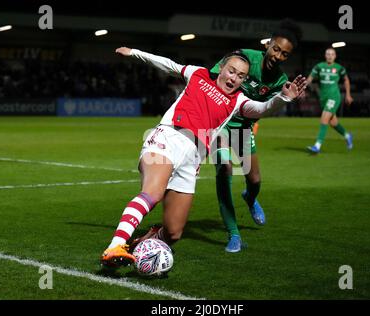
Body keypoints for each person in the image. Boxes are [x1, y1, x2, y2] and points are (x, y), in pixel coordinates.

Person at [100, 46, 306, 267]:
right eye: (231, 71)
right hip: (168, 138)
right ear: (222, 68)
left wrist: (284, 97)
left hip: (193, 159)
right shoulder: (199, 74)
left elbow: (263, 108)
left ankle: (137, 247)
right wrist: (135, 53)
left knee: (173, 232)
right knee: (153, 192)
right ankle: (115, 245)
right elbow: (169, 64)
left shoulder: (238, 101)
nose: (234, 78)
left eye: (241, 76)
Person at [209, 19, 303, 253]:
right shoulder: (244, 58)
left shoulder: (281, 81)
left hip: (243, 129)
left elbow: (267, 108)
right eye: (276, 49)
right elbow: (212, 78)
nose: (278, 56)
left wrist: (285, 99)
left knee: (255, 181)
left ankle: (249, 199)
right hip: (220, 123)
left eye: (284, 54)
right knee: (225, 169)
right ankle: (234, 234)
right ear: (268, 45)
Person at [306, 47, 354, 154]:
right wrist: (302, 87)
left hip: (334, 96)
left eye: (332, 54)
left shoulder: (339, 68)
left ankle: (317, 146)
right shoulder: (319, 66)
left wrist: (348, 95)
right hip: (323, 97)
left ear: (335, 56)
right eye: (328, 54)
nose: (330, 56)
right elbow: (309, 79)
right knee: (333, 123)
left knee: (324, 119)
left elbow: (346, 80)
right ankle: (347, 135)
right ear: (325, 55)